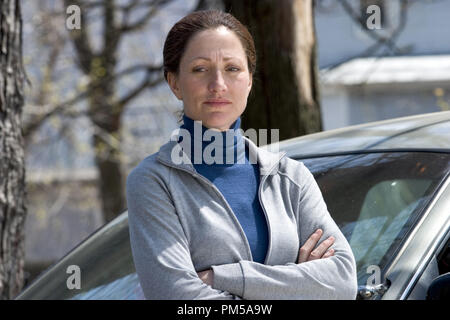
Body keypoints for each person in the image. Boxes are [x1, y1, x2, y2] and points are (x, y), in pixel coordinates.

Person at [126, 9, 358, 300]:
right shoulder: (154, 183)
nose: (218, 85)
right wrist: (297, 286)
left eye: (232, 69)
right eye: (200, 69)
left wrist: (221, 276)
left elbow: (342, 283)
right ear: (174, 83)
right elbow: (178, 298)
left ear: (249, 80)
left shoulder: (291, 178)